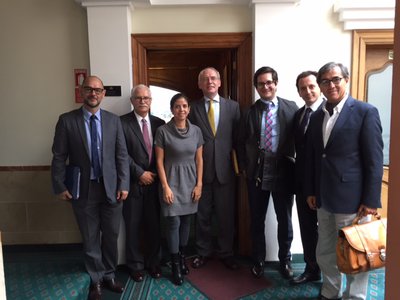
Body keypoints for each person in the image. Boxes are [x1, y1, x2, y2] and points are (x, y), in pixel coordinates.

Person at [305, 62, 383, 300]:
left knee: (356, 251)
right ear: (320, 85)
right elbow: (315, 158)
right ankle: (330, 291)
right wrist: (311, 190)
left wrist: (370, 199)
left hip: (353, 200)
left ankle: (355, 296)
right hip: (323, 198)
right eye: (325, 81)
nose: (331, 85)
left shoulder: (364, 112)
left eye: (336, 79)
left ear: (346, 80)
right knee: (326, 250)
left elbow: (374, 160)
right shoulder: (318, 115)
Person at [51, 76, 129, 300]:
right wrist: (59, 185)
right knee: (90, 236)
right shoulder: (67, 120)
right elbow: (59, 156)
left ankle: (110, 275)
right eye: (89, 89)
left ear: (103, 93)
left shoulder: (114, 121)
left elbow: (121, 155)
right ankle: (95, 280)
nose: (93, 93)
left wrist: (124, 184)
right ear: (81, 92)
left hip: (112, 189)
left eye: (97, 90)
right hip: (82, 190)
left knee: (111, 235)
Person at [237, 66, 298, 279]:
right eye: (261, 84)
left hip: (283, 169)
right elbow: (240, 142)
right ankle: (258, 260)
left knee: (285, 219)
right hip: (257, 172)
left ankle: (286, 260)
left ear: (276, 83)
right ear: (256, 87)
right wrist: (244, 167)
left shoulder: (291, 108)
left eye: (269, 82)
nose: (266, 87)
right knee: (257, 219)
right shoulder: (249, 112)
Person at [188, 67, 241, 270]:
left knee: (226, 216)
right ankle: (202, 252)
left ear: (219, 83)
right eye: (205, 79)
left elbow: (238, 138)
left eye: (213, 78)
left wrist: (240, 167)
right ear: (199, 84)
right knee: (202, 216)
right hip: (200, 172)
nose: (209, 81)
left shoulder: (233, 107)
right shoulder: (192, 108)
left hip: (226, 171)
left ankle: (226, 252)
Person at [155, 93, 204, 285]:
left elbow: (199, 160)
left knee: (186, 222)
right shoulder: (162, 131)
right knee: (173, 223)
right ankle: (175, 264)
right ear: (172, 109)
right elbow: (159, 161)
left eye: (184, 106)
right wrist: (165, 187)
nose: (181, 109)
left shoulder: (197, 131)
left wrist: (199, 184)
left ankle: (183, 258)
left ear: (189, 109)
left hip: (191, 182)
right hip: (171, 182)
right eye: (177, 106)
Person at [120, 84, 165, 282]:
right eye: (138, 98)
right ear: (132, 101)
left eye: (146, 97)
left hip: (155, 183)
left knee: (155, 225)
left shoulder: (160, 123)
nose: (142, 101)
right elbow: (120, 153)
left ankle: (154, 263)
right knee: (133, 226)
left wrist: (154, 174)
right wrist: (139, 173)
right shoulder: (121, 123)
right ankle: (135, 265)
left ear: (151, 100)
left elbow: (164, 155)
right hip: (132, 183)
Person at [290, 71, 324, 285]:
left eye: (311, 86)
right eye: (303, 88)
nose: (308, 91)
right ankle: (312, 269)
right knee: (308, 229)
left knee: (329, 233)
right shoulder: (299, 114)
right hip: (302, 184)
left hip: (326, 184)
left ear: (319, 87)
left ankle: (331, 276)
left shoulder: (329, 112)